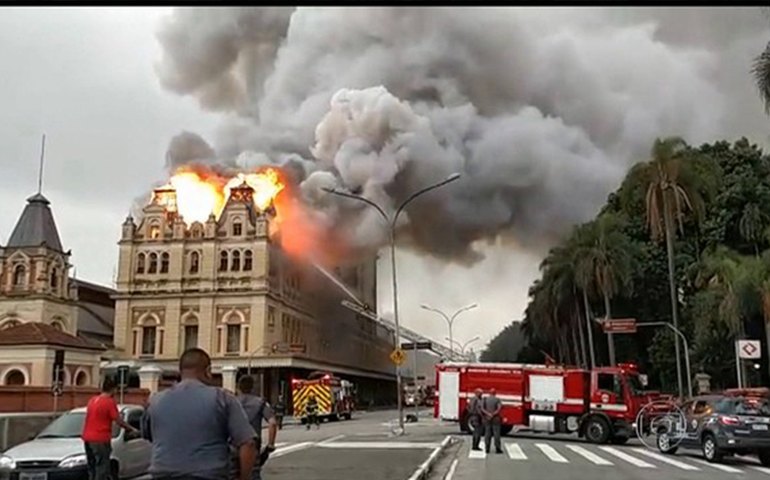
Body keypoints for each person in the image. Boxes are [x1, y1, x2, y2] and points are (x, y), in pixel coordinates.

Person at [140, 348, 257, 480]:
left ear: (180, 371)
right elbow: (248, 443)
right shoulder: (222, 398)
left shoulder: (155, 401)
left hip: (163, 474)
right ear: (208, 371)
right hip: (207, 475)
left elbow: (149, 435)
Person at [81, 377, 137, 480]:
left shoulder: (92, 400)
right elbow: (118, 420)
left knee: (92, 467)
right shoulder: (109, 402)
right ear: (113, 389)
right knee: (102, 467)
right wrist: (131, 429)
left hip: (88, 438)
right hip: (100, 439)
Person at [236, 376, 278, 480]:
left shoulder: (231, 402)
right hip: (252, 445)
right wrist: (270, 444)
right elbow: (272, 423)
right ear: (252, 388)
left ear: (238, 387)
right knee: (253, 474)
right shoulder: (260, 403)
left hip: (232, 446)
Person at [481, 388, 503, 454]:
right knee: (496, 433)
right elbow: (499, 408)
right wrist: (493, 414)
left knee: (487, 433)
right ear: (495, 393)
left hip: (487, 418)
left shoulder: (485, 399)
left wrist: (488, 414)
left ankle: (487, 448)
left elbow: (482, 408)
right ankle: (497, 448)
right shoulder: (497, 400)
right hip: (495, 418)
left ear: (489, 393)